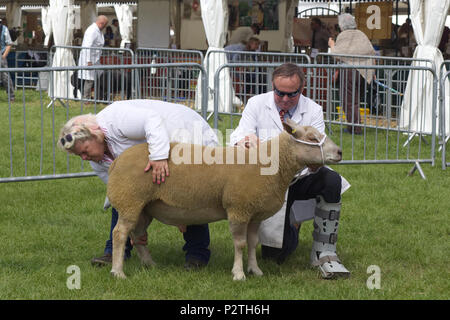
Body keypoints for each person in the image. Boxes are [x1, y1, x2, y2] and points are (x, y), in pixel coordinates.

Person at [58, 99, 219, 270]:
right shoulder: (97, 162)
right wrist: (137, 227)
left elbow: (151, 119)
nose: (84, 158)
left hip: (186, 134)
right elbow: (122, 194)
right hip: (160, 150)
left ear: (94, 134)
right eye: (79, 156)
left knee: (189, 195)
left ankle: (197, 254)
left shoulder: (115, 119)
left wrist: (158, 157)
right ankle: (114, 252)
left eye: (84, 151)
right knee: (125, 197)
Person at [229, 63, 351, 279]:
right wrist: (246, 141)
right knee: (275, 256)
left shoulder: (313, 110)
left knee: (331, 180)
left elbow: (318, 150)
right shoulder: (256, 104)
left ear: (301, 89)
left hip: (300, 178)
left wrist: (315, 162)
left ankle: (325, 250)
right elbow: (238, 135)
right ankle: (292, 224)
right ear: (273, 87)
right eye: (279, 93)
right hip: (267, 183)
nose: (285, 99)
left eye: (292, 94)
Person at [328, 13, 376, 135]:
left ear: (341, 25)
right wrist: (373, 71)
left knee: (348, 101)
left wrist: (332, 45)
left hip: (349, 72)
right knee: (354, 101)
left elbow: (338, 55)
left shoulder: (343, 35)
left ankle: (355, 128)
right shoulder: (361, 34)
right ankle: (352, 126)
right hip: (363, 72)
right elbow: (372, 53)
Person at [78, 15, 108, 100]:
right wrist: (88, 61)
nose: (105, 27)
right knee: (89, 80)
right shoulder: (92, 30)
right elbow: (87, 46)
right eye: (105, 25)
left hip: (95, 60)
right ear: (102, 23)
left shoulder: (97, 30)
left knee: (100, 76)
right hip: (90, 59)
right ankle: (86, 99)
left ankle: (99, 96)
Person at [0, 19, 15, 102]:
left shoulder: (4, 29)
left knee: (5, 77)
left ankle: (11, 96)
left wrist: (3, 56)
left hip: (1, 55)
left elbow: (9, 44)